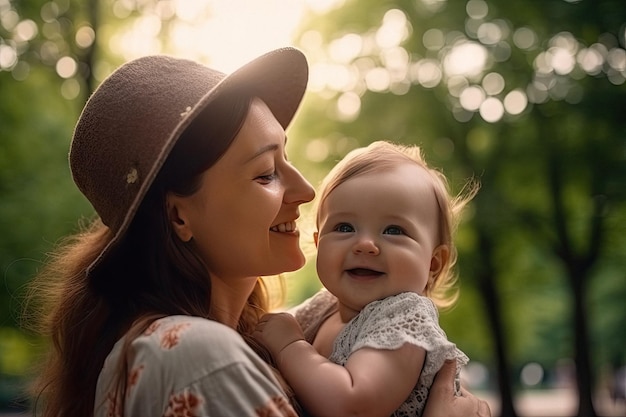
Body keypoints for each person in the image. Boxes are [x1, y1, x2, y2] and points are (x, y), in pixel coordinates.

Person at [24, 47, 490, 417]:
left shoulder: (264, 339)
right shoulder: (201, 357)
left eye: (287, 158)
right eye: (266, 173)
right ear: (180, 216)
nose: (307, 191)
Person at [252, 141, 479, 417]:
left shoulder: (405, 318)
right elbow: (268, 334)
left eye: (394, 230)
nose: (365, 244)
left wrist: (290, 347)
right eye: (344, 227)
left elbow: (353, 406)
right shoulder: (324, 307)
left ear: (433, 263)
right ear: (318, 242)